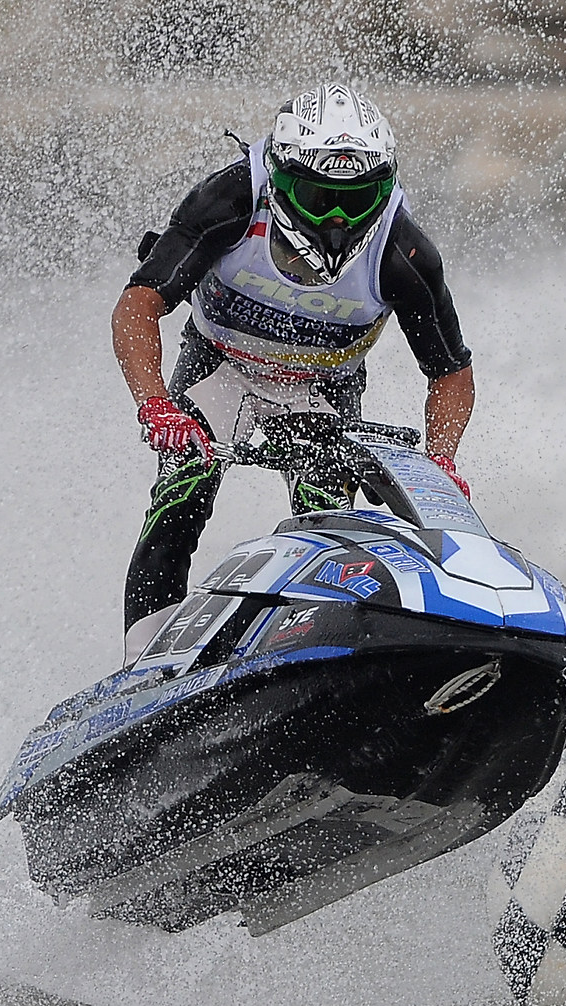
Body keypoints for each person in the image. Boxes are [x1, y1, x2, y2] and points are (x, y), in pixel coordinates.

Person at [113, 83, 476, 636]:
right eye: (317, 196)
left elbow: (450, 373)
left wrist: (441, 463)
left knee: (325, 525)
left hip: (323, 390)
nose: (335, 220)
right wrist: (156, 404)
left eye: (355, 201)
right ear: (280, 179)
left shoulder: (403, 253)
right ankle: (142, 668)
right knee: (179, 498)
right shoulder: (230, 200)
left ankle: (311, 645)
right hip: (219, 368)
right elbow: (138, 306)